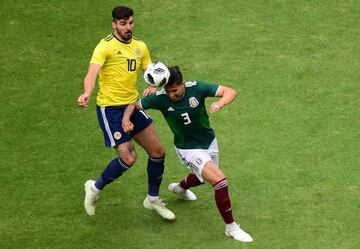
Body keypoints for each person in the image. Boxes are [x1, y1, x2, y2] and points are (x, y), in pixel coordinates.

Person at [122, 65, 254, 242]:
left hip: (208, 142)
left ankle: (180, 188)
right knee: (220, 181)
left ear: (182, 84)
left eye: (175, 90)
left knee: (201, 178)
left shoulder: (197, 88)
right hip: (187, 148)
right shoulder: (160, 98)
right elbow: (134, 105)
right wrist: (125, 119)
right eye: (168, 91)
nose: (171, 95)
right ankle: (231, 228)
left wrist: (219, 103)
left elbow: (230, 91)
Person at [77, 6, 175, 220]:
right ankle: (94, 188)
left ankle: (152, 199)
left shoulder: (140, 46)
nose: (128, 27)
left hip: (132, 106)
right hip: (110, 109)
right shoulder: (104, 47)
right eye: (123, 24)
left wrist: (153, 86)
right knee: (129, 158)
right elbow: (92, 73)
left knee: (158, 152)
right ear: (114, 24)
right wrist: (86, 92)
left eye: (131, 22)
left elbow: (152, 73)